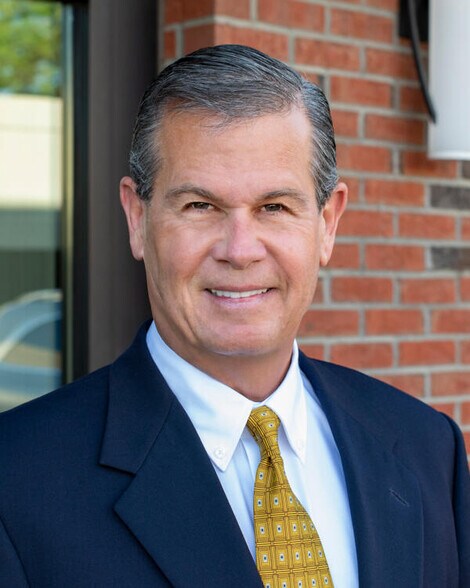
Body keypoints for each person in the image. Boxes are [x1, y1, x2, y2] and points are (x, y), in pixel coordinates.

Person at [0, 45, 468, 588]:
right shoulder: (17, 479)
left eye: (275, 207)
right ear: (137, 218)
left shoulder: (427, 447)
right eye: (200, 206)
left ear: (327, 223)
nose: (240, 251)